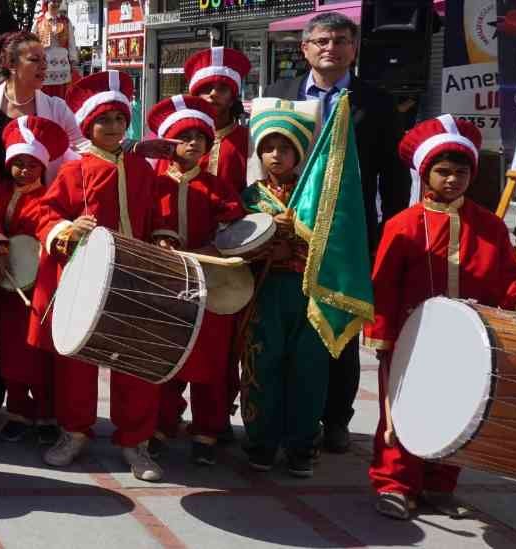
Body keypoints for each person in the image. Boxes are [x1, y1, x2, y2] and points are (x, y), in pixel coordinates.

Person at [364, 116, 516, 520]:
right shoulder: (402, 225)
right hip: (411, 338)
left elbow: (509, 279)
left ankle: (439, 483)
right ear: (426, 173)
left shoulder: (490, 226)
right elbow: (383, 285)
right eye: (443, 171)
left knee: (457, 411)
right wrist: (381, 335)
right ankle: (396, 483)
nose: (452, 180)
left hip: (472, 340)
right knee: (402, 412)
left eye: (461, 172)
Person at [265, 12, 410, 452]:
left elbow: (394, 174)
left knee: (339, 328)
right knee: (280, 325)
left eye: (342, 40)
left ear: (355, 48)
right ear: (305, 48)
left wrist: (387, 231)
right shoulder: (278, 95)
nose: (331, 47)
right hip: (286, 230)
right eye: (322, 40)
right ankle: (276, 416)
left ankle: (335, 419)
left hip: (347, 233)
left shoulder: (378, 102)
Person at [35, 70, 169, 482]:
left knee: (134, 361)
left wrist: (163, 239)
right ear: (88, 125)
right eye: (103, 120)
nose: (112, 127)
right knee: (78, 363)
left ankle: (136, 442)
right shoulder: (75, 171)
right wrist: (66, 230)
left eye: (118, 119)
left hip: (135, 277)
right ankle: (74, 431)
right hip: (88, 279)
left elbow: (156, 214)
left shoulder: (142, 168)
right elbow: (46, 213)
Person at [144, 95, 246, 466]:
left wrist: (217, 245)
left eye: (200, 137)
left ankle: (208, 429)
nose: (193, 143)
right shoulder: (152, 183)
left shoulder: (218, 186)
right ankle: (160, 424)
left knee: (211, 361)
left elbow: (237, 227)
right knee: (166, 357)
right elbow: (141, 223)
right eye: (184, 136)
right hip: (166, 286)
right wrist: (158, 238)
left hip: (211, 286)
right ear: (167, 141)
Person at [0, 114, 73, 448]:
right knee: (11, 354)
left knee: (41, 354)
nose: (24, 171)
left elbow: (51, 226)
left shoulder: (48, 197)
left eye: (31, 165)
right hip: (5, 291)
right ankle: (16, 411)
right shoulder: (0, 192)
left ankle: (46, 414)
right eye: (18, 164)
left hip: (39, 290)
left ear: (43, 166)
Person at [238, 99, 326, 477]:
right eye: (269, 147)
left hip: (309, 294)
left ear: (299, 152)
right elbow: (234, 243)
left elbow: (334, 244)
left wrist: (299, 246)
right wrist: (264, 248)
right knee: (262, 364)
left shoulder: (319, 197)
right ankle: (260, 441)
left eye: (285, 147)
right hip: (264, 292)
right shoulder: (249, 198)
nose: (277, 155)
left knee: (308, 370)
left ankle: (301, 446)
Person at [0, 32, 81, 178]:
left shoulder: (57, 108)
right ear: (11, 64)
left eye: (45, 60)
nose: (44, 66)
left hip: (40, 199)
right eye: (35, 60)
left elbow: (85, 148)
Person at [183, 47, 251, 199]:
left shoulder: (249, 140)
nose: (213, 94)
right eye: (206, 89)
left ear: (232, 99)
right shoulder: (180, 139)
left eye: (222, 89)